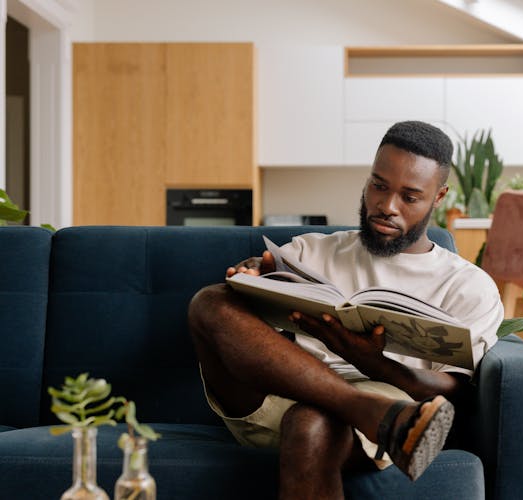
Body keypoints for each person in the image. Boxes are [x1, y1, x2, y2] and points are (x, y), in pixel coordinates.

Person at [188, 120, 503, 499]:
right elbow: (246, 309)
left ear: (438, 198)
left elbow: (453, 391)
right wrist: (253, 273)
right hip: (279, 396)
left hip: (379, 404)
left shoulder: (467, 285)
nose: (387, 207)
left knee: (312, 424)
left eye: (410, 196)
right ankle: (367, 412)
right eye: (379, 186)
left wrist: (374, 364)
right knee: (209, 301)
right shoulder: (312, 250)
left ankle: (369, 410)